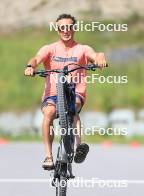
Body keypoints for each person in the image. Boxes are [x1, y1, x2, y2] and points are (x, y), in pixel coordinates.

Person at [24, 14, 107, 170]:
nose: (65, 30)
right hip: (52, 95)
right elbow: (35, 58)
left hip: (75, 92)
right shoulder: (49, 48)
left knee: (73, 109)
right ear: (57, 30)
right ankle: (49, 157)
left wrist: (101, 57)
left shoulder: (82, 49)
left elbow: (95, 55)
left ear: (74, 28)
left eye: (69, 27)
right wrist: (30, 67)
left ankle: (79, 147)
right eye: (62, 27)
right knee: (49, 113)